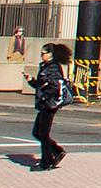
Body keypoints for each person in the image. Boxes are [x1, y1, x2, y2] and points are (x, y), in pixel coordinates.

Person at [29, 42, 72, 171]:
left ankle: (47, 161)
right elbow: (42, 85)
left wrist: (46, 99)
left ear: (50, 54)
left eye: (43, 53)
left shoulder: (53, 68)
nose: (41, 56)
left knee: (43, 133)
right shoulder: (45, 66)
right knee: (37, 132)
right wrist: (31, 81)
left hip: (49, 105)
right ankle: (56, 151)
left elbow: (54, 86)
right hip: (44, 104)